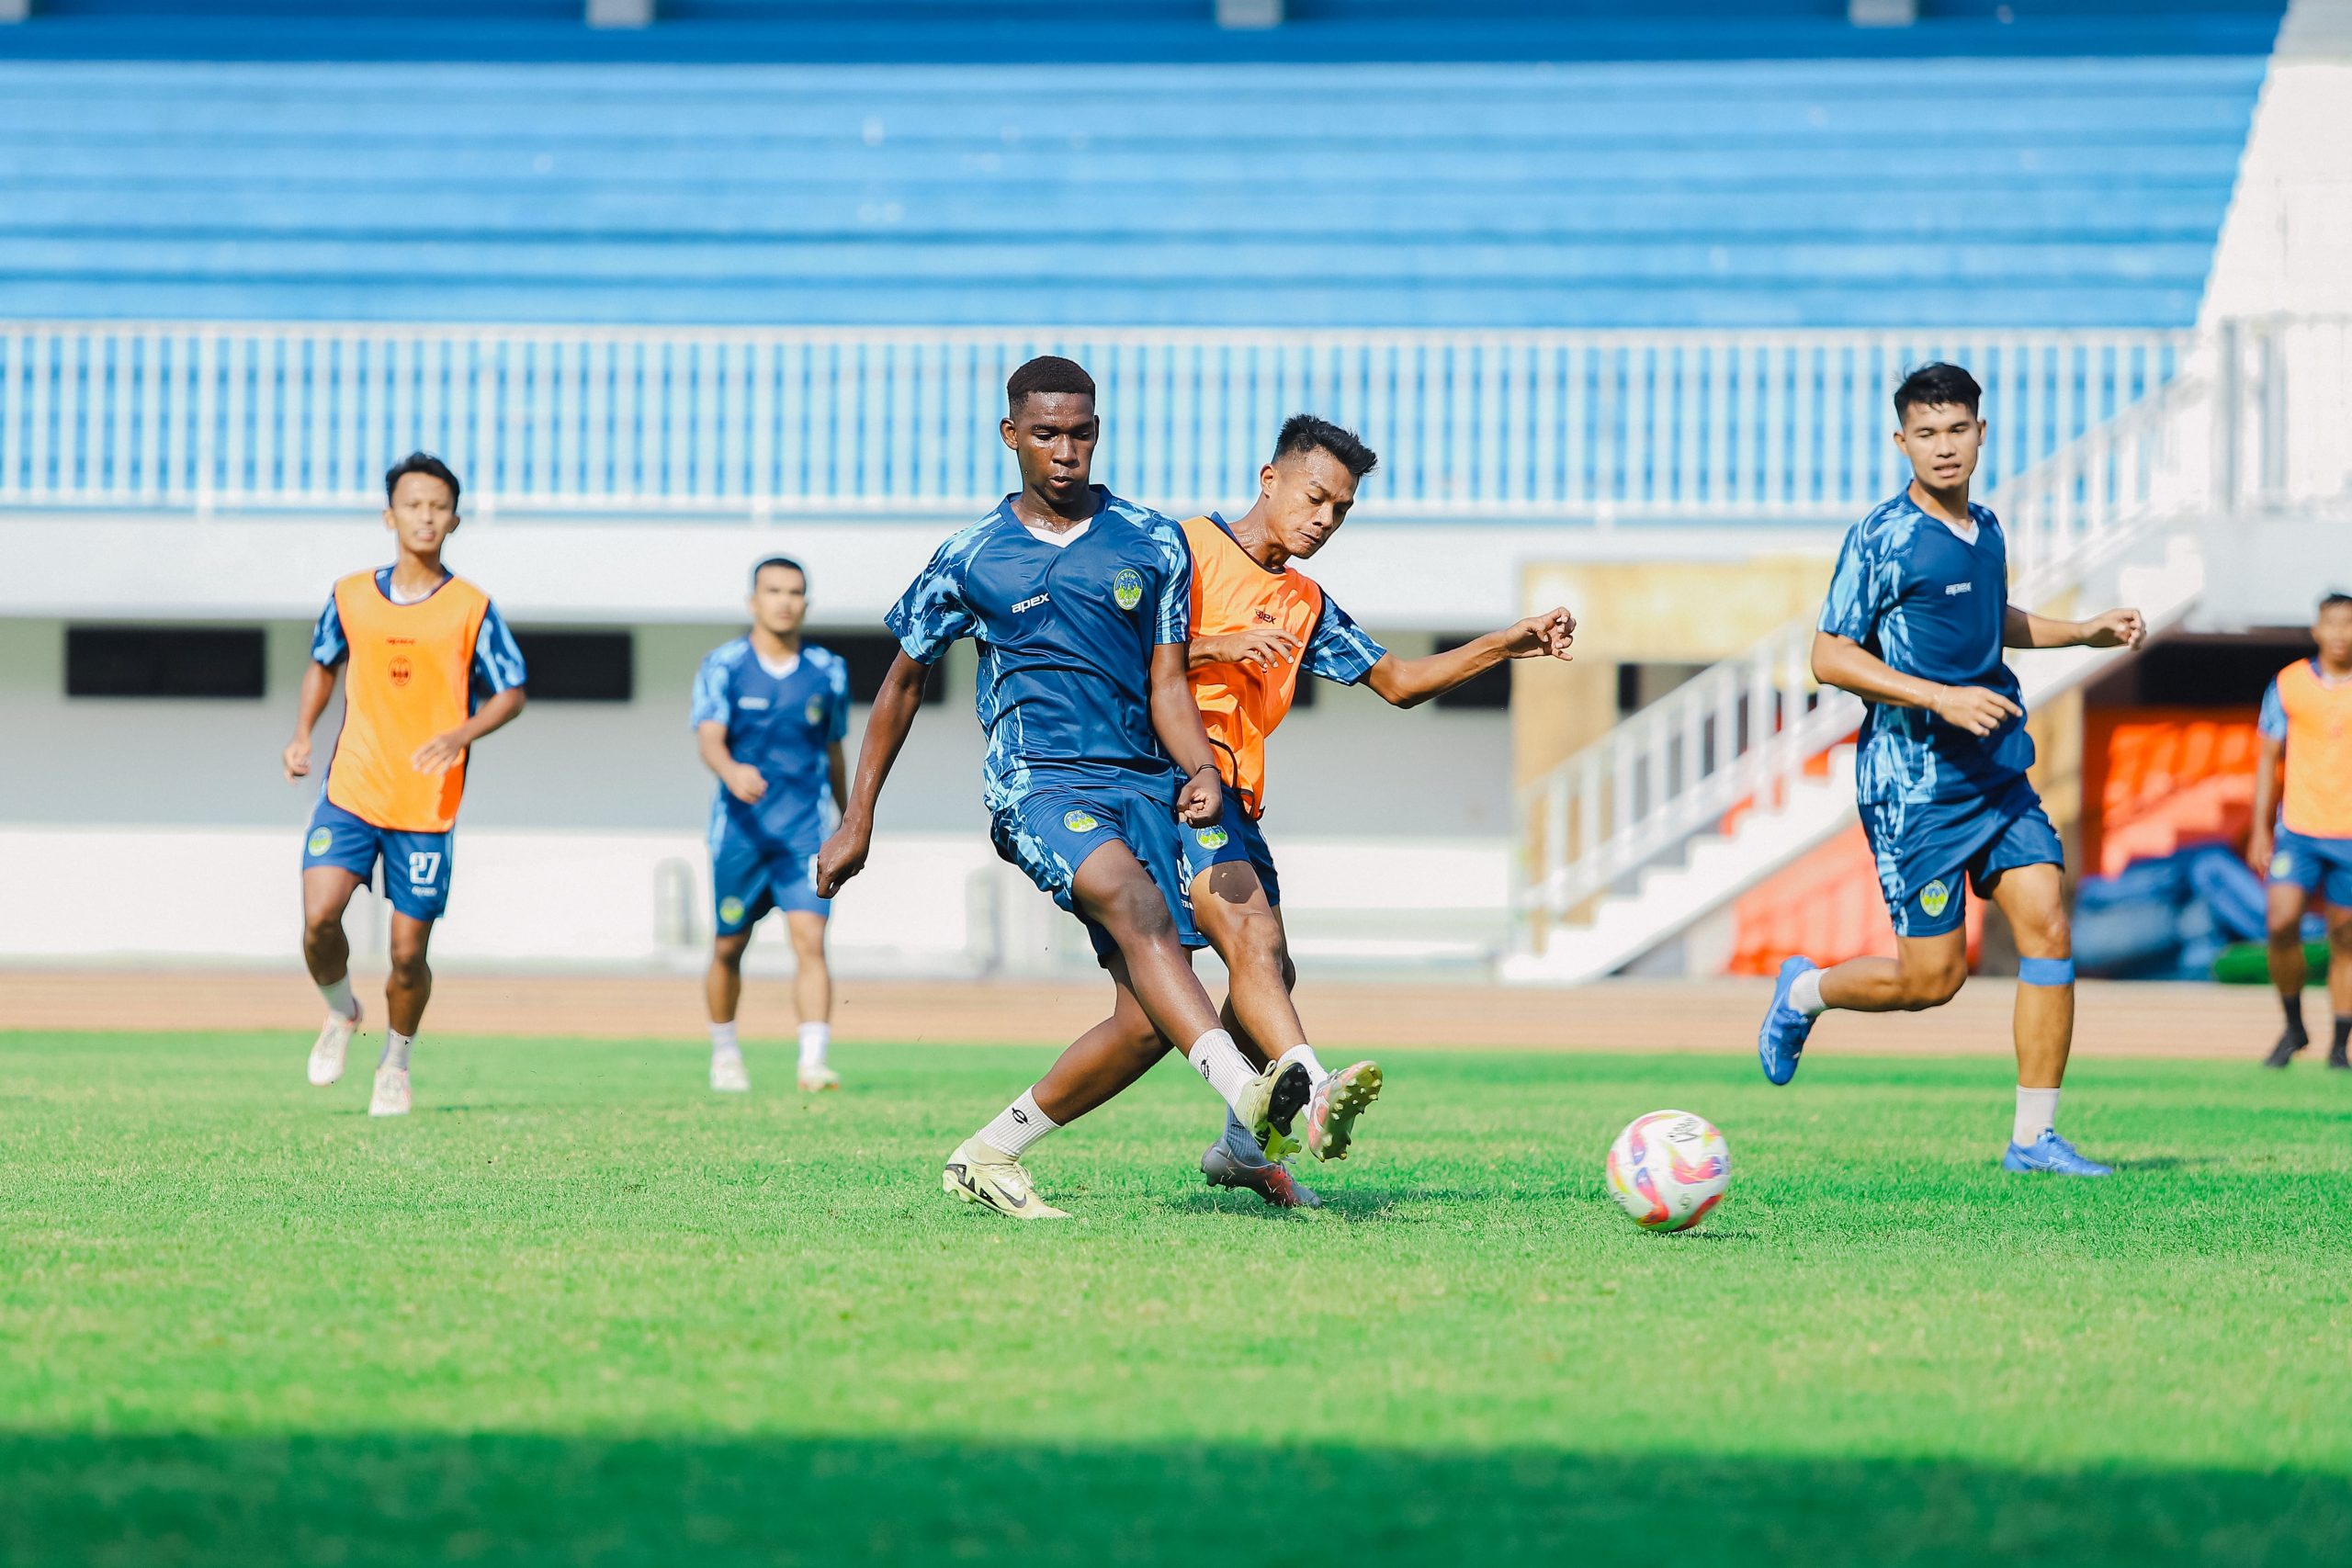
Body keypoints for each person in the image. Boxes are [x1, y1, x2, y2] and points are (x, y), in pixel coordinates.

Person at [814, 355, 1310, 1220]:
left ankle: (991, 1151)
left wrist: (1199, 770)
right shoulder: (970, 557)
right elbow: (900, 682)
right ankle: (1245, 1093)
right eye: (1046, 433)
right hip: (1038, 784)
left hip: (1145, 780)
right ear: (1012, 436)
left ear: (1098, 434)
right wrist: (857, 817)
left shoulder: (1151, 541)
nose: (1065, 450)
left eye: (1080, 432)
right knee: (1135, 905)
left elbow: (1166, 685)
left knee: (1152, 1015)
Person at [1074, 414, 1576, 1208]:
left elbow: (1400, 681)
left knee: (1252, 980)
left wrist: (1505, 643)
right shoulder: (1177, 550)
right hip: (1165, 783)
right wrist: (1215, 646)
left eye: (1340, 510)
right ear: (1269, 478)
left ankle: (1239, 1146)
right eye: (1315, 498)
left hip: (1236, 798)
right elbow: (1096, 656)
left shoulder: (1304, 602)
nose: (1324, 520)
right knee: (1253, 942)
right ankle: (1311, 1088)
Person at [1753, 363, 2143, 1176]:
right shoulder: (1882, 536)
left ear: (1981, 433)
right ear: (1901, 441)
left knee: (2049, 924)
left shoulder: (1989, 527)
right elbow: (1829, 654)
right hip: (1915, 787)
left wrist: (2083, 632)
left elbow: (1983, 616)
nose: (1943, 447)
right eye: (1926, 433)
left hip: (1997, 770)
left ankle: (2033, 1138)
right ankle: (1802, 992)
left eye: (1957, 429)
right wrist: (1939, 697)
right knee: (1932, 980)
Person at [282, 453, 528, 1117]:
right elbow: (321, 664)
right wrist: (303, 732)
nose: (426, 515)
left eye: (438, 505)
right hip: (353, 789)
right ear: (390, 514)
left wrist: (461, 732)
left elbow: (512, 691)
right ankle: (340, 1014)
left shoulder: (472, 607)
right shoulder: (350, 594)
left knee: (405, 952)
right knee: (317, 920)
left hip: (426, 803)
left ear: (454, 518)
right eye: (413, 504)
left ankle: (395, 1061)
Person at [691, 556, 852, 1094]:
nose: (785, 600)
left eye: (795, 591)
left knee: (810, 939)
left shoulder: (828, 670)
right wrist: (731, 769)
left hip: (803, 834)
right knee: (728, 947)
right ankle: (725, 1054)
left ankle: (813, 1062)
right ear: (753, 601)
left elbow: (833, 747)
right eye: (774, 590)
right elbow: (709, 735)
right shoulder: (724, 665)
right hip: (740, 834)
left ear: (806, 602)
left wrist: (850, 817)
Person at [2250, 592, 2352, 1069]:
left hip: (2349, 834)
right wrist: (2258, 830)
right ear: (2316, 630)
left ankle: (2339, 1045)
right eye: (2331, 623)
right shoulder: (2288, 684)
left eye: (2348, 624)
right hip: (2299, 830)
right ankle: (2294, 1025)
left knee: (2346, 939)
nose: (2340, 633)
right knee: (2280, 922)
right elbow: (2267, 758)